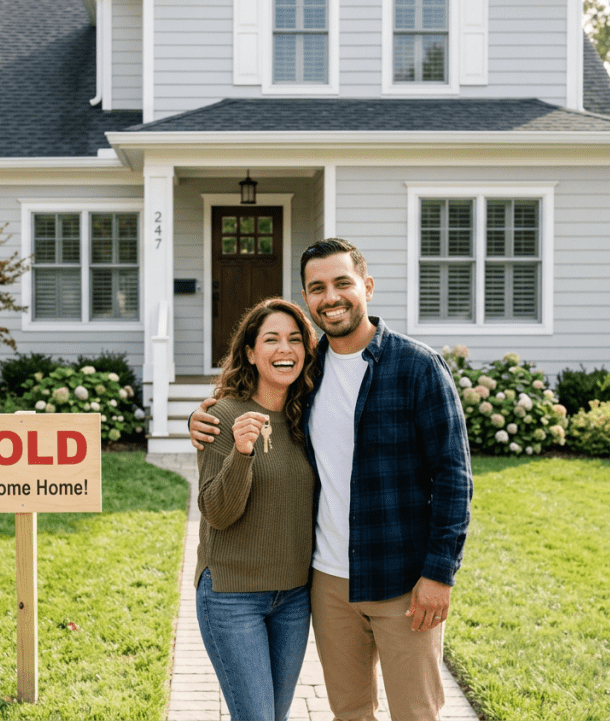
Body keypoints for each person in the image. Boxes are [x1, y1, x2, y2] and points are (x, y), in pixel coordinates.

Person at [191, 239, 473, 721]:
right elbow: (256, 402)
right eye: (317, 288)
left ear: (367, 286)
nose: (331, 297)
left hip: (402, 580)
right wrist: (204, 418)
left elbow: (454, 477)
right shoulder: (308, 372)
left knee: (416, 713)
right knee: (349, 712)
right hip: (326, 583)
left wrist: (439, 574)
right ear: (307, 298)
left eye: (342, 283)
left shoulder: (416, 367)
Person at [194, 297, 320, 721]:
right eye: (271, 339)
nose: (285, 349)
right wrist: (242, 452)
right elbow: (217, 512)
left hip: (294, 598)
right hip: (232, 597)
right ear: (250, 352)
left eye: (295, 339)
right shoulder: (222, 416)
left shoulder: (308, 417)